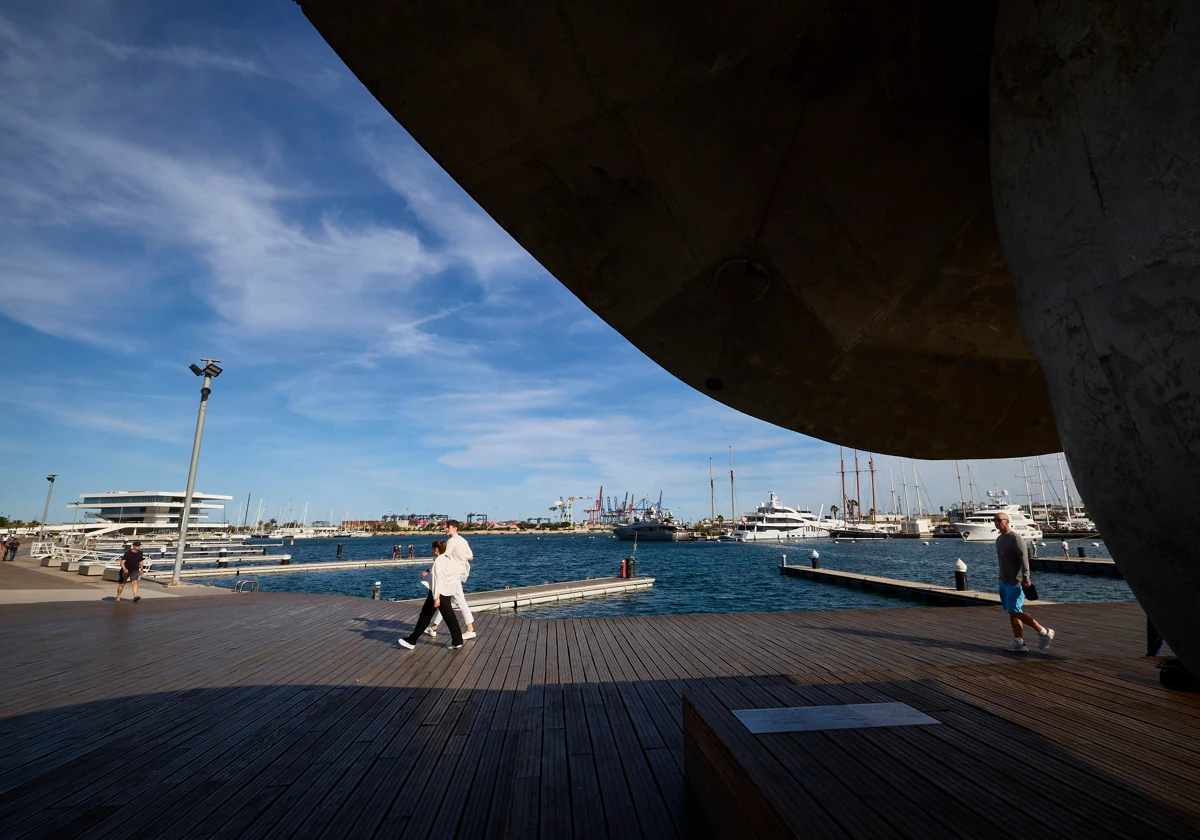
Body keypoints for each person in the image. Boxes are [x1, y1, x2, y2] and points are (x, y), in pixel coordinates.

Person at [995, 512, 1054, 651]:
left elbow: (1024, 560)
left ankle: (1044, 632)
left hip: (1016, 582)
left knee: (1014, 610)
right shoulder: (999, 539)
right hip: (1003, 581)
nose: (996, 523)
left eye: (998, 520)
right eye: (994, 520)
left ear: (1007, 521)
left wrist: (1026, 578)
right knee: (1012, 612)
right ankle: (1018, 641)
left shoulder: (1016, 539)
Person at [397, 540, 464, 649]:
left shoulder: (439, 561)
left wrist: (436, 597)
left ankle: (412, 640)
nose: (432, 551)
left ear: (436, 549)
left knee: (426, 615)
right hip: (446, 591)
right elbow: (451, 576)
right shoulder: (449, 559)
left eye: (433, 549)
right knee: (448, 616)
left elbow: (438, 580)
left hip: (437, 592)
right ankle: (457, 640)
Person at [429, 520, 477, 639]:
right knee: (446, 600)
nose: (446, 529)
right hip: (461, 573)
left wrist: (428, 570)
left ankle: (470, 629)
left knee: (460, 601)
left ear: (454, 529)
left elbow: (444, 557)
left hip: (453, 574)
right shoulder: (463, 541)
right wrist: (460, 557)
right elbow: (470, 557)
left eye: (448, 527)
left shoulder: (452, 541)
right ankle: (434, 626)